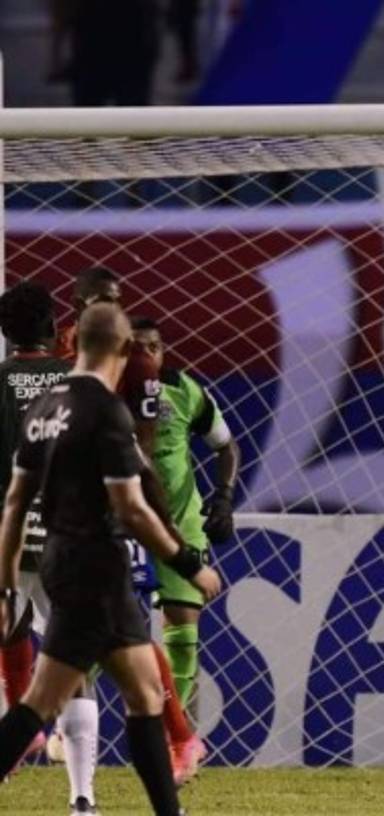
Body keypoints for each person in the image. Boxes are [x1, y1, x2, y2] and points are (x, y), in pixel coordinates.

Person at [0, 302, 221, 816]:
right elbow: (132, 509)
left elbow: (13, 505)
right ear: (121, 349)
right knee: (42, 702)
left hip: (61, 561)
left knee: (145, 693)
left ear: (73, 344)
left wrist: (7, 585)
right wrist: (190, 563)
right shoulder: (106, 410)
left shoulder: (44, 409)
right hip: (94, 569)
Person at [57, 266, 208, 785]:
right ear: (75, 306)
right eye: (99, 298)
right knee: (101, 634)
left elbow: (141, 450)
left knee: (125, 634)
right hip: (64, 515)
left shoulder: (139, 364)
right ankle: (176, 737)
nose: (110, 306)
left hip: (113, 517)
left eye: (115, 299)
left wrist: (155, 524)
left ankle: (176, 736)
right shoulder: (58, 360)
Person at [130, 317, 238, 712]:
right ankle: (67, 726)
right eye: (136, 347)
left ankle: (174, 740)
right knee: (98, 630)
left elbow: (226, 447)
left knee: (183, 630)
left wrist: (224, 496)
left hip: (180, 521)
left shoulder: (185, 390)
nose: (145, 355)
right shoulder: (106, 391)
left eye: (152, 347)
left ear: (163, 351)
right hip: (123, 522)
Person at [0, 283, 73, 787]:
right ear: (51, 325)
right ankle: (81, 785)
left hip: (10, 529)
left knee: (9, 628)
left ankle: (18, 733)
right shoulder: (76, 380)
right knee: (77, 646)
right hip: (68, 532)